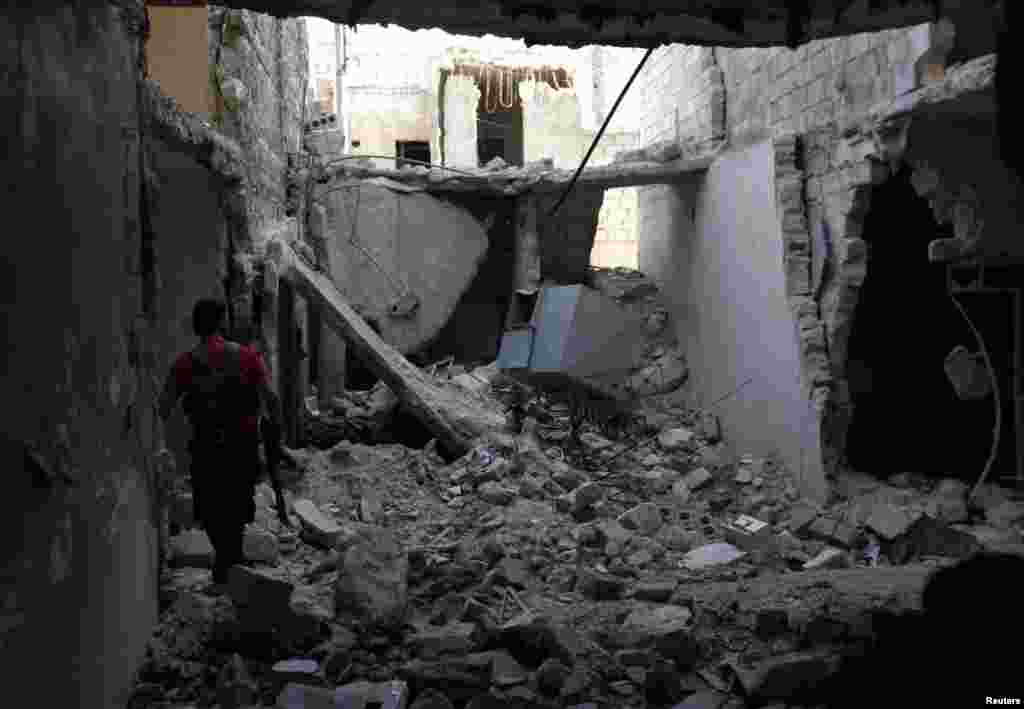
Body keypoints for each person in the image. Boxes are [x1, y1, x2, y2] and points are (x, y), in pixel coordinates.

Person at [156, 298, 290, 585]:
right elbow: (272, 400)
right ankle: (231, 567)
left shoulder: (185, 364)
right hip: (242, 447)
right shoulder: (249, 358)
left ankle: (227, 566)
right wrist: (275, 440)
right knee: (237, 509)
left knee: (213, 511)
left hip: (206, 449)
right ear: (222, 323)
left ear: (196, 326)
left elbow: (162, 408)